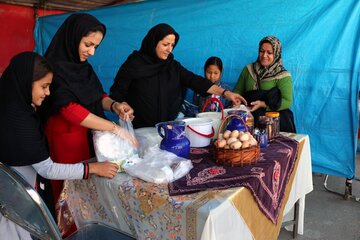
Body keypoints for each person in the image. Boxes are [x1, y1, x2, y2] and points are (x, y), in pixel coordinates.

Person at [0, 52, 120, 240]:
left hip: (11, 193)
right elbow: (47, 169)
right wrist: (93, 168)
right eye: (44, 86)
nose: (48, 93)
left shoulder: (11, 104)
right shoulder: (20, 122)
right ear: (26, 82)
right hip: (18, 201)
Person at [40, 13, 137, 217]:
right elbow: (70, 110)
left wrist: (115, 105)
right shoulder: (52, 68)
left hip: (88, 136)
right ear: (73, 37)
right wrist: (115, 128)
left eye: (96, 47)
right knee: (69, 196)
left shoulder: (83, 68)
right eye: (88, 44)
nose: (92, 52)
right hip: (65, 141)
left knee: (88, 196)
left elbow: (96, 95)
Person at [109, 23, 247, 129]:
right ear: (153, 42)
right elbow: (117, 92)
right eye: (165, 44)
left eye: (172, 45)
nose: (170, 49)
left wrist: (225, 93)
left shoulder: (172, 66)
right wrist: (122, 104)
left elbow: (195, 81)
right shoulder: (134, 64)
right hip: (139, 130)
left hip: (166, 129)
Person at [233, 36, 296, 132]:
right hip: (249, 120)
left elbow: (287, 101)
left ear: (276, 54)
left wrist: (263, 104)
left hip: (273, 123)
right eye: (262, 51)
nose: (264, 55)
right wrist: (236, 100)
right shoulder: (248, 70)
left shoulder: (282, 76)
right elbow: (237, 91)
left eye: (269, 53)